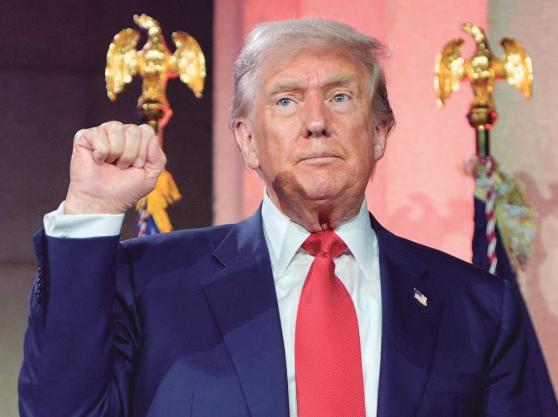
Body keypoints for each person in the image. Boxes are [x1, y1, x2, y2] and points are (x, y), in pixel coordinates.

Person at [18, 18, 557, 417]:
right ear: (247, 140)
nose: (316, 122)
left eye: (341, 97)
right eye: (285, 101)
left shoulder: (477, 307)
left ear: (379, 133)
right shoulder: (150, 284)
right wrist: (91, 211)